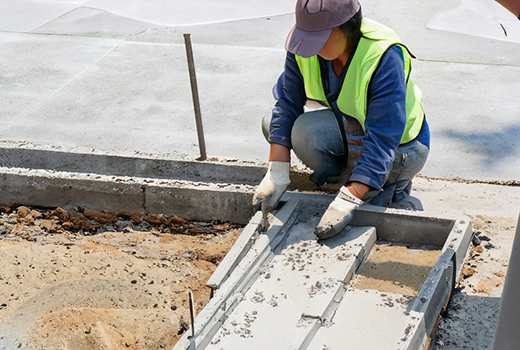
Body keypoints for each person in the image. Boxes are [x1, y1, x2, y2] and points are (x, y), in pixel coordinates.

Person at [252, 0, 430, 240]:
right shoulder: (305, 48)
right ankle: (356, 178)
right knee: (283, 126)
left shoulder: (383, 54)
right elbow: (286, 104)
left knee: (365, 183)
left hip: (402, 149)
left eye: (319, 38)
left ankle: (385, 185)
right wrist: (276, 173)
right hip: (352, 132)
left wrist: (352, 196)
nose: (311, 47)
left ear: (345, 28)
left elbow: (384, 136)